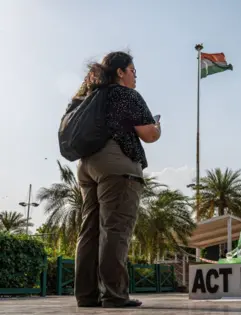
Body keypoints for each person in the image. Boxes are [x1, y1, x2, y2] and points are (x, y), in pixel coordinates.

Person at [72, 51, 160, 308]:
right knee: (115, 229)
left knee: (89, 231)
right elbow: (149, 135)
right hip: (117, 163)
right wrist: (157, 125)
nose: (135, 77)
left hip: (87, 165)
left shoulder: (90, 96)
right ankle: (114, 295)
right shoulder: (125, 95)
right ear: (120, 72)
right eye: (132, 71)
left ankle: (86, 296)